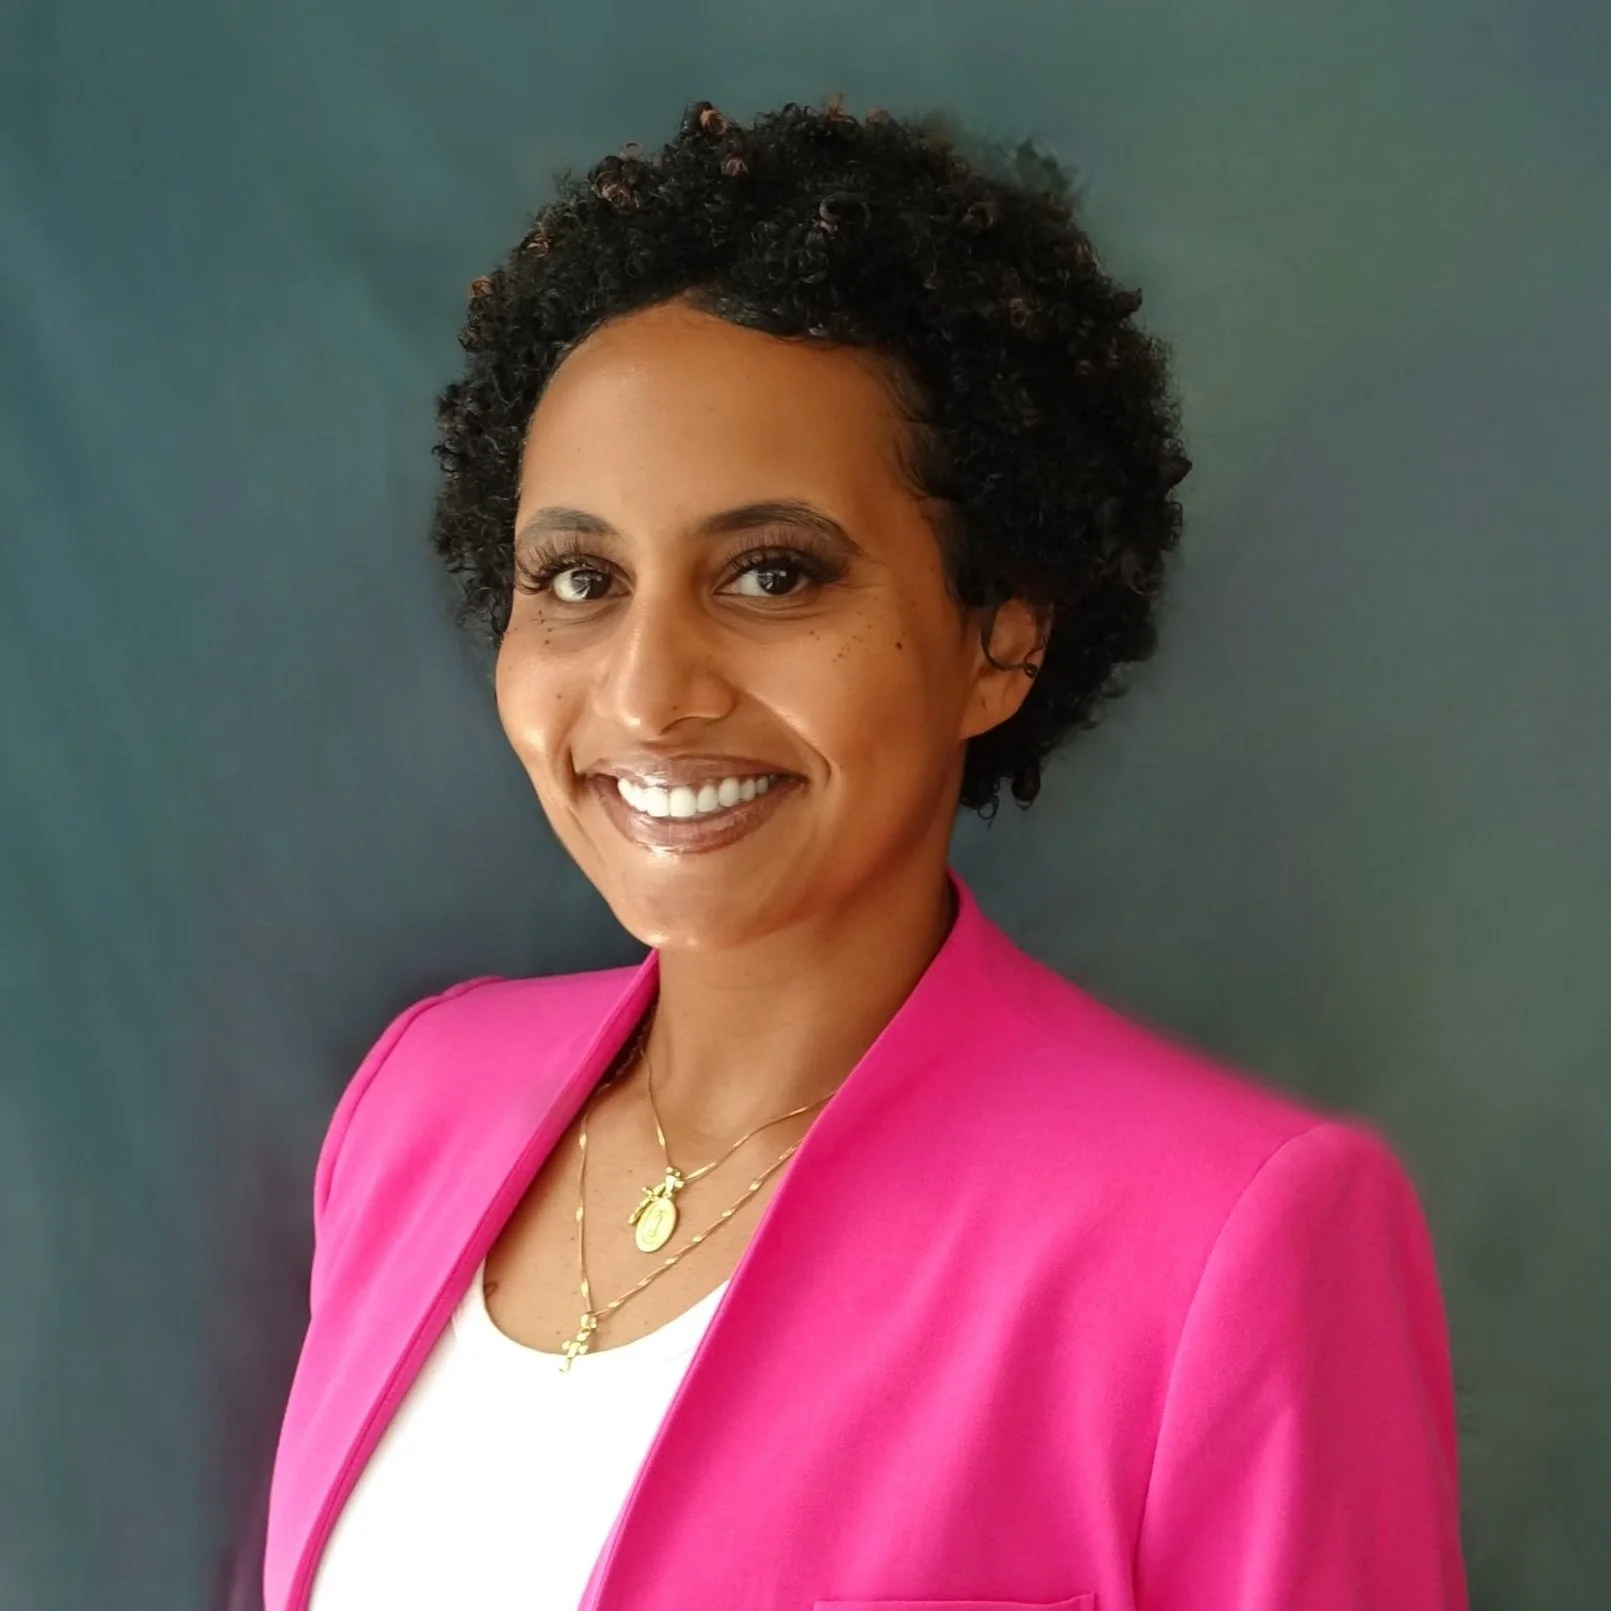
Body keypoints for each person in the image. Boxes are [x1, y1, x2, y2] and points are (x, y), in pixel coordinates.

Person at [263, 97, 1468, 1611]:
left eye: (773, 575)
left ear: (1001, 637)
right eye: (577, 578)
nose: (648, 694)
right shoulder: (418, 1102)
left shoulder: (1226, 1240)